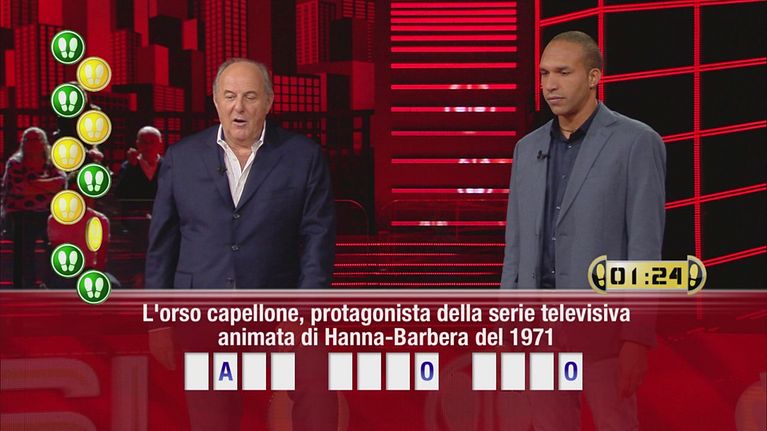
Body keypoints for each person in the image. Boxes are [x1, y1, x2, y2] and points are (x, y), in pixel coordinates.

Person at [501, 31, 665, 430]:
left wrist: (637, 337)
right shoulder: (527, 149)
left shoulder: (637, 142)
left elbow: (645, 248)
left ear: (594, 77)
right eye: (544, 74)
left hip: (605, 334)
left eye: (563, 72)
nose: (550, 85)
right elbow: (515, 248)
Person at [146, 58, 336, 288]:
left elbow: (318, 241)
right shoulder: (181, 158)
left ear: (268, 102)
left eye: (250, 97)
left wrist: (306, 307)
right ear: (216, 101)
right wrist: (157, 309)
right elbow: (161, 247)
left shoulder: (303, 157)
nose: (239, 107)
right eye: (229, 96)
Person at [1, 127, 66, 288]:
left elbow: (60, 184)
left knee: (56, 249)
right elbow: (19, 189)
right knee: (24, 252)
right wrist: (47, 186)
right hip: (21, 213)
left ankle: (51, 286)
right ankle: (25, 287)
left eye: (35, 139)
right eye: (27, 139)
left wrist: (33, 183)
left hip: (48, 214)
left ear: (44, 142)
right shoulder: (15, 163)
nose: (31, 143)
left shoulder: (52, 162)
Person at [115, 126, 163, 199]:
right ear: (137, 144)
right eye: (144, 142)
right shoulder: (128, 166)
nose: (148, 146)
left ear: (160, 144)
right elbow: (119, 194)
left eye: (153, 142)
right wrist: (131, 167)